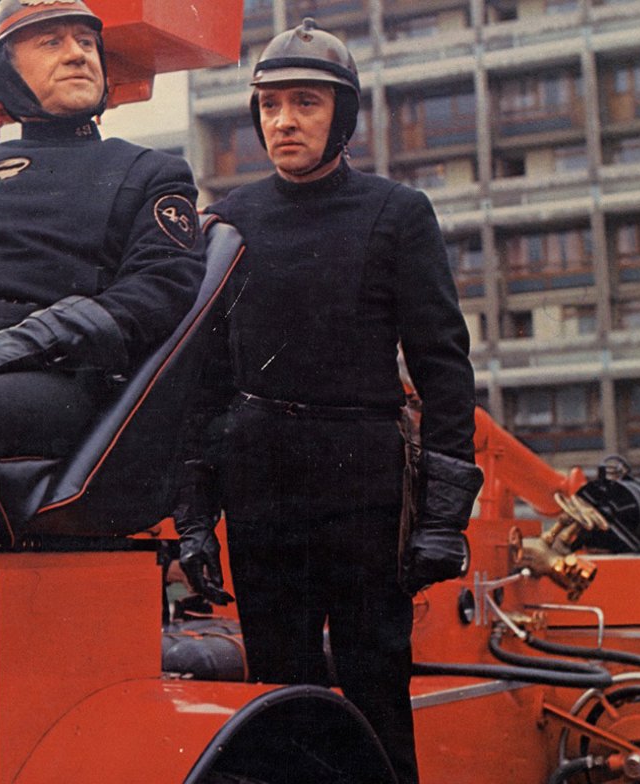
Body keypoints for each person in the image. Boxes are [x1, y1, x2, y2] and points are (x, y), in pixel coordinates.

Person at [174, 19, 482, 783]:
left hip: (362, 489)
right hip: (260, 488)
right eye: (270, 105)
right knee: (278, 694)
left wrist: (443, 520)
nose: (284, 121)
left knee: (376, 685)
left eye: (306, 103)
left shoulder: (397, 213)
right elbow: (202, 383)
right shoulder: (230, 221)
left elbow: (443, 369)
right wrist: (194, 517)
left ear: (342, 117)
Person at [0, 0, 205, 621]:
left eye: (85, 42)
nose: (76, 55)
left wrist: (31, 338)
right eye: (51, 42)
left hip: (63, 375)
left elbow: (162, 286)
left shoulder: (148, 170)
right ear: (5, 72)